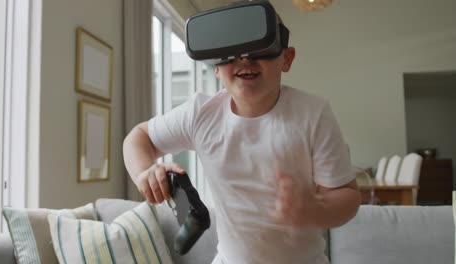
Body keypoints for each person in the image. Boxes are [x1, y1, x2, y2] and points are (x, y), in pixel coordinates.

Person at [123, 6, 361, 264]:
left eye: (260, 46)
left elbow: (347, 197)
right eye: (231, 51)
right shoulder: (201, 114)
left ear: (287, 58)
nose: (244, 59)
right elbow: (138, 137)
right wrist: (143, 173)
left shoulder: (313, 115)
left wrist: (314, 209)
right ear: (216, 66)